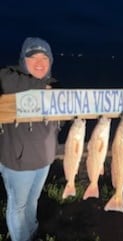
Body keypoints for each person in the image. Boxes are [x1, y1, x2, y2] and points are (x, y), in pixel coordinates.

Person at [0, 37, 60, 241]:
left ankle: (32, 231)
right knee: (18, 206)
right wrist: (41, 90)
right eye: (32, 57)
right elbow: (4, 79)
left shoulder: (54, 86)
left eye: (45, 57)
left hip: (43, 161)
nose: (40, 62)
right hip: (18, 163)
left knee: (32, 200)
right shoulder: (9, 78)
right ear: (22, 61)